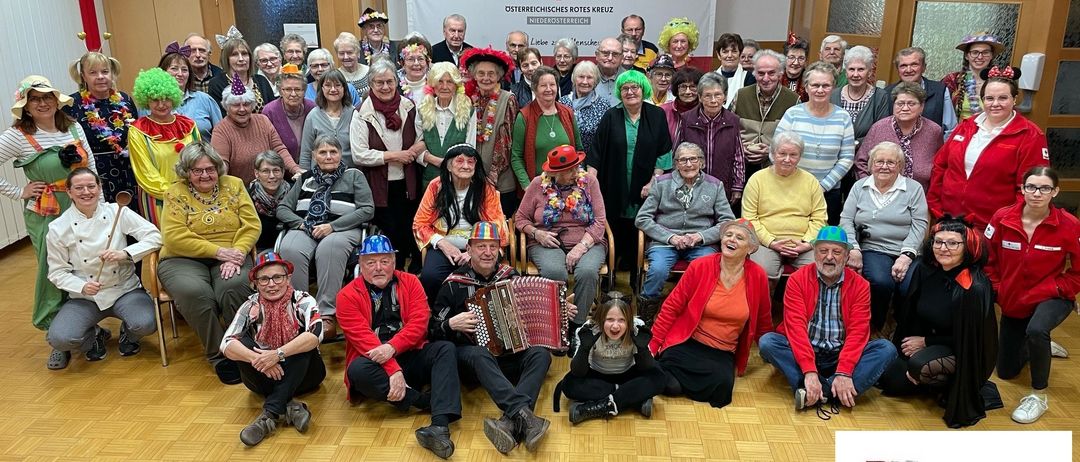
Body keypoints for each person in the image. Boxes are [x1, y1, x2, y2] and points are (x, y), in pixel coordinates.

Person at [429, 222, 572, 453]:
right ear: (469, 248)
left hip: (509, 355)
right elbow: (432, 327)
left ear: (499, 250)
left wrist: (560, 310)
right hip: (473, 363)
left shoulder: (511, 276)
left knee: (540, 355)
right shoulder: (454, 284)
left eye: (492, 247)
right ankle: (525, 416)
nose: (487, 252)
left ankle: (510, 421)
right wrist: (450, 323)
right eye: (481, 246)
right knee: (479, 354)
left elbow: (531, 314)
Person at [337, 235, 461, 458]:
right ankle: (427, 401)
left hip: (409, 352)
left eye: (384, 261)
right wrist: (393, 369)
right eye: (371, 262)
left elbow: (420, 323)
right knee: (357, 370)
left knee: (445, 348)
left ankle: (439, 427)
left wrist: (392, 349)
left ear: (394, 262)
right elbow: (364, 340)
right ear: (361, 265)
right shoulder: (345, 296)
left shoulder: (411, 281)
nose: (378, 268)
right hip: (375, 361)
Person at [758, 226, 898, 413]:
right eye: (823, 251)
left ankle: (815, 391)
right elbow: (796, 328)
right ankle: (830, 390)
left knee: (886, 349)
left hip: (840, 353)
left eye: (837, 252)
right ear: (815, 254)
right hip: (806, 351)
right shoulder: (797, 279)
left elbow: (858, 331)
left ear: (847, 256)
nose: (829, 257)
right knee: (768, 342)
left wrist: (844, 370)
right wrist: (809, 369)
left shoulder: (861, 285)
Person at [878, 216, 998, 428]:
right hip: (931, 341)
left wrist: (926, 342)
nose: (944, 248)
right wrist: (907, 345)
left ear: (967, 246)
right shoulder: (926, 271)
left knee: (918, 367)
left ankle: (954, 386)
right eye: (938, 242)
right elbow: (912, 314)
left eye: (952, 243)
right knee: (890, 379)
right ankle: (930, 380)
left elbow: (970, 340)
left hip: (961, 350)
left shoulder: (972, 287)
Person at [0, 75, 95, 344]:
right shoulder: (18, 136)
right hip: (46, 211)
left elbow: (92, 169)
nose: (42, 103)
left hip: (80, 206)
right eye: (35, 99)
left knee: (81, 261)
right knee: (51, 265)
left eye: (47, 97)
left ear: (56, 100)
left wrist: (97, 201)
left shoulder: (74, 127)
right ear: (26, 106)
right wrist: (19, 192)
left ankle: (83, 321)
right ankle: (54, 326)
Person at [157, 141, 259, 384]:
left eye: (210, 169)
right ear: (186, 172)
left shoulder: (234, 185)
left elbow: (251, 224)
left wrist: (237, 252)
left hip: (232, 255)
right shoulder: (174, 192)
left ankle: (241, 347)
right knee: (195, 292)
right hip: (182, 258)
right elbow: (174, 236)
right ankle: (219, 354)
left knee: (233, 286)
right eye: (197, 170)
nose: (205, 175)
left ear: (218, 168)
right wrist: (219, 252)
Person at [986, 166, 1080, 424]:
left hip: (1053, 295)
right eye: (1031, 187)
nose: (1037, 193)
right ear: (1023, 189)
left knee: (1038, 328)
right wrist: (998, 288)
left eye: (1045, 188)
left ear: (1055, 191)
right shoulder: (1003, 218)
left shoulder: (1070, 225)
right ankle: (1038, 344)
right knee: (1005, 371)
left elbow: (1078, 272)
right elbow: (988, 259)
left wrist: (1059, 288)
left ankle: (1038, 396)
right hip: (1014, 297)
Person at [650, 218, 773, 408]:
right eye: (728, 235)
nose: (731, 240)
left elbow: (763, 318)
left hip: (722, 350)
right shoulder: (700, 266)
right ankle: (644, 380)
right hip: (688, 340)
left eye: (739, 238)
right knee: (672, 387)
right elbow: (671, 307)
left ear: (750, 248)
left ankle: (652, 380)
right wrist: (654, 343)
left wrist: (768, 351)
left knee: (722, 389)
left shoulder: (758, 276)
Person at [45, 168, 160, 369]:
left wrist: (125, 254)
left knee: (146, 324)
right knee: (60, 339)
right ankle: (94, 336)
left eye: (91, 186)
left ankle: (129, 334)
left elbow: (154, 236)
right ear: (69, 192)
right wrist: (81, 287)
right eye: (79, 188)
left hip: (125, 290)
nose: (86, 192)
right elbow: (56, 272)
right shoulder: (57, 228)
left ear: (99, 188)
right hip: (86, 298)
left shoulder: (118, 211)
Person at [221, 251, 325, 446]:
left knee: (305, 343)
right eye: (264, 279)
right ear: (256, 283)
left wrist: (278, 354)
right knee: (240, 342)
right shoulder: (249, 306)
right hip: (264, 375)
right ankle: (289, 406)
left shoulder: (303, 300)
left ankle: (268, 416)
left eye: (277, 277)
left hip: (305, 375)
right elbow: (226, 343)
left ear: (288, 279)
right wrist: (259, 360)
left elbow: (315, 334)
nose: (271, 284)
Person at [927, 66, 1048, 231]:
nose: (995, 104)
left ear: (1015, 99)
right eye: (989, 98)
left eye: (1003, 98)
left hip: (992, 226)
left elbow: (1031, 187)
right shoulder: (967, 126)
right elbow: (941, 165)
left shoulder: (1030, 135)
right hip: (949, 220)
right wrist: (935, 206)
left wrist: (1009, 221)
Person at [277, 134, 373, 339]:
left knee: (329, 248)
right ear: (314, 155)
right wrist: (300, 223)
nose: (328, 156)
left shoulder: (354, 175)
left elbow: (367, 210)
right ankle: (299, 309)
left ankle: (326, 314)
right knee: (289, 248)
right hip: (306, 228)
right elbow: (283, 208)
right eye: (323, 152)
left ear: (340, 154)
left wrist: (333, 226)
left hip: (342, 229)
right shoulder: (304, 178)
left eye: (333, 151)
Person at [587, 70, 673, 287]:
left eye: (634, 87)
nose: (630, 92)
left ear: (643, 89)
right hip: (613, 183)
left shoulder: (657, 115)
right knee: (613, 228)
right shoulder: (611, 116)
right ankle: (609, 279)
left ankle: (636, 278)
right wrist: (591, 184)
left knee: (639, 230)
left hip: (644, 185)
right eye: (625, 88)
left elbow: (664, 152)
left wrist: (654, 181)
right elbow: (596, 151)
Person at [635, 143, 735, 319]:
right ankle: (645, 319)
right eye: (683, 160)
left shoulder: (715, 185)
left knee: (706, 268)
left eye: (693, 159)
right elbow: (642, 219)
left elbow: (728, 222)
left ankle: (698, 314)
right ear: (676, 164)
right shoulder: (661, 183)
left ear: (702, 162)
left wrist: (700, 236)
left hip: (700, 243)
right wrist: (671, 237)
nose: (688, 164)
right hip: (665, 242)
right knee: (657, 269)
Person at [515, 146, 607, 332]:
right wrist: (536, 233)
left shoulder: (589, 181)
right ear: (553, 173)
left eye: (577, 166)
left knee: (588, 272)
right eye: (569, 170)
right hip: (547, 241)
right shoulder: (536, 185)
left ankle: (577, 327)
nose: (576, 172)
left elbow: (600, 221)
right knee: (555, 272)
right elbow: (520, 218)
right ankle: (557, 325)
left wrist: (580, 247)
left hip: (587, 240)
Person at [840, 142, 928, 332]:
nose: (884, 166)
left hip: (908, 250)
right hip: (873, 247)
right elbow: (845, 220)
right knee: (881, 282)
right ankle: (874, 327)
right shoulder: (859, 187)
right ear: (871, 164)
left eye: (891, 162)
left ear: (900, 166)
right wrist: (853, 247)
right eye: (879, 161)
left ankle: (902, 329)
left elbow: (920, 224)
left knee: (908, 287)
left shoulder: (913, 189)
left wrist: (906, 255)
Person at [351, 58, 426, 272]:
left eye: (389, 81)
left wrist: (413, 151)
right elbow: (359, 154)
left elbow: (422, 138)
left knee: (409, 231)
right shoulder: (361, 112)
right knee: (390, 234)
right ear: (371, 84)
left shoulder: (409, 106)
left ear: (397, 81)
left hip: (408, 182)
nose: (385, 87)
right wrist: (395, 156)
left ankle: (410, 279)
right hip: (379, 186)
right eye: (379, 82)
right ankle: (393, 275)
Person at [553, 293, 664, 423]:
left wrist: (643, 349)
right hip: (598, 375)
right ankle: (633, 399)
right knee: (569, 384)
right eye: (610, 319)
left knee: (659, 377)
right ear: (601, 319)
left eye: (621, 320)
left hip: (628, 373)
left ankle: (599, 407)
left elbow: (646, 368)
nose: (615, 326)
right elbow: (578, 372)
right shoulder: (589, 329)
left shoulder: (637, 327)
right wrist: (584, 348)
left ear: (628, 320)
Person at [413, 144, 505, 300]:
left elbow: (496, 225)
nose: (466, 166)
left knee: (484, 277)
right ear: (449, 165)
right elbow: (420, 223)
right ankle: (440, 317)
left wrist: (473, 252)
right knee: (430, 276)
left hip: (481, 245)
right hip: (444, 245)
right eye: (460, 161)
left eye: (471, 162)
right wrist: (443, 244)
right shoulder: (436, 187)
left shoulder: (486, 188)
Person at [777, 61, 856, 225]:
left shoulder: (843, 117)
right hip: (792, 189)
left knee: (822, 241)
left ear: (833, 87)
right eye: (815, 85)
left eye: (825, 85)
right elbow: (777, 151)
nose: (820, 90)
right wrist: (794, 181)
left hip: (828, 193)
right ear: (806, 87)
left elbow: (847, 157)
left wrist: (822, 186)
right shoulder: (792, 114)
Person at [741, 131, 826, 280]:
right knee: (762, 271)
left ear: (800, 156)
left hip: (802, 243)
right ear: (772, 154)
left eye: (793, 155)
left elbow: (820, 218)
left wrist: (807, 243)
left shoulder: (810, 181)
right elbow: (749, 218)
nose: (787, 159)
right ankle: (767, 304)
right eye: (782, 154)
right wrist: (771, 242)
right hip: (765, 242)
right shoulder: (757, 179)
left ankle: (803, 304)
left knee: (819, 269)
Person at [128, 68, 201, 225]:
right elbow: (145, 172)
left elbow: (200, 160)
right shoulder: (138, 130)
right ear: (146, 100)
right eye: (155, 99)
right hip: (158, 199)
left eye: (166, 98)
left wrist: (195, 189)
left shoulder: (189, 125)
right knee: (167, 243)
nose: (161, 104)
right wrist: (173, 194)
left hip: (193, 194)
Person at [65, 52, 139, 207]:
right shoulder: (71, 104)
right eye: (93, 72)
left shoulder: (124, 99)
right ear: (83, 76)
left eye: (105, 71)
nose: (100, 76)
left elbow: (137, 132)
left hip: (127, 170)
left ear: (112, 74)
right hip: (93, 173)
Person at [461, 47, 520, 215]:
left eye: (491, 73)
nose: (486, 78)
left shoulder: (508, 99)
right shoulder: (468, 100)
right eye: (481, 73)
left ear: (499, 76)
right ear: (474, 75)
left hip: (501, 181)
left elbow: (507, 141)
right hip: (471, 179)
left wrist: (492, 176)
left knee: (501, 230)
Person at [211, 73, 300, 183]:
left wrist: (295, 169)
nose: (242, 109)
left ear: (252, 105)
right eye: (236, 105)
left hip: (270, 186)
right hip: (241, 191)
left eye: (246, 104)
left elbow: (279, 149)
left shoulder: (263, 120)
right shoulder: (221, 130)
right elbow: (221, 165)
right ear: (227, 107)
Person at [856, 82, 943, 192]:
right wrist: (869, 189)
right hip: (878, 195)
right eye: (900, 103)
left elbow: (940, 167)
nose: (905, 108)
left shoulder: (934, 131)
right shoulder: (878, 128)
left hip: (920, 196)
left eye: (911, 104)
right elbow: (861, 162)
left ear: (921, 107)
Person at [676, 73, 746, 208]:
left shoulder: (733, 120)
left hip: (722, 186)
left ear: (725, 97)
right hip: (690, 185)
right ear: (700, 97)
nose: (713, 100)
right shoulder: (686, 119)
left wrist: (737, 186)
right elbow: (677, 153)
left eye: (718, 95)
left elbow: (739, 156)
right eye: (708, 95)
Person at [732, 50, 800, 180]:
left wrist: (771, 151)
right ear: (754, 74)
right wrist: (740, 148)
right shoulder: (741, 95)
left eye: (771, 73)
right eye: (761, 73)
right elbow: (728, 129)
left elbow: (796, 138)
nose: (766, 78)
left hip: (776, 169)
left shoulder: (794, 100)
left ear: (780, 74)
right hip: (741, 166)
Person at [512, 67, 582, 188]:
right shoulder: (524, 116)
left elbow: (579, 149)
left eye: (552, 85)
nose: (549, 89)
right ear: (534, 89)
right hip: (538, 187)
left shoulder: (568, 113)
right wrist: (527, 186)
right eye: (543, 85)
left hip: (569, 186)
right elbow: (516, 157)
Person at [418, 62, 477, 188]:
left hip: (458, 179)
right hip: (429, 179)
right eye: (440, 81)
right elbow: (417, 145)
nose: (444, 86)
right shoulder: (422, 109)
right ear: (433, 85)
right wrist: (436, 161)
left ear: (456, 85)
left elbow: (470, 147)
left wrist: (452, 164)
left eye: (449, 82)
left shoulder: (468, 111)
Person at [884, 47, 957, 136]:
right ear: (898, 69)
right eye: (903, 66)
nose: (909, 70)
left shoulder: (940, 91)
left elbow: (950, 129)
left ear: (923, 67)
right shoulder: (886, 93)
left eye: (914, 65)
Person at [830, 46, 890, 152]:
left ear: (870, 72)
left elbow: (881, 133)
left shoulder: (880, 97)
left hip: (865, 159)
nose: (855, 74)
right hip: (833, 156)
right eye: (851, 69)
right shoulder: (833, 95)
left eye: (861, 69)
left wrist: (856, 144)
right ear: (846, 72)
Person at [159, 43, 222, 141]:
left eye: (184, 70)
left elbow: (221, 136)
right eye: (174, 69)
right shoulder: (152, 104)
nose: (180, 74)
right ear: (162, 72)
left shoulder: (205, 100)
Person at [299, 69, 358, 171]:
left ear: (344, 87)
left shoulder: (354, 114)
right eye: (328, 85)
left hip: (349, 175)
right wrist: (305, 177)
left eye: (337, 85)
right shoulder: (313, 116)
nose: (333, 89)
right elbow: (306, 153)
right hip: (320, 177)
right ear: (321, 88)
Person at [207, 26, 276, 113]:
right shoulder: (216, 84)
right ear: (226, 59)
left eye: (244, 53)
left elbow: (273, 112)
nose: (241, 58)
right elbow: (220, 116)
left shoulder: (261, 80)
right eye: (234, 54)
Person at [943, 33, 1006, 121]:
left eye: (985, 52)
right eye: (975, 52)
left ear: (992, 56)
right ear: (966, 56)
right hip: (959, 132)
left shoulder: (1001, 82)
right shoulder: (953, 80)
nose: (980, 57)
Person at [261, 65, 315, 167]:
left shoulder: (312, 108)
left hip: (310, 168)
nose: (293, 94)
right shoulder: (269, 111)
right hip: (279, 170)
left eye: (298, 89)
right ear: (281, 91)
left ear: (304, 91)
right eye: (288, 89)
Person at [557, 61, 610, 156]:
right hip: (566, 160)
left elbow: (606, 140)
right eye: (581, 77)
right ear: (574, 79)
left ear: (596, 81)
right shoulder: (563, 103)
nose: (585, 82)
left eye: (589, 77)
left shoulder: (603, 105)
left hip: (594, 161)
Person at [249, 151, 289, 251]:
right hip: (257, 251)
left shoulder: (294, 193)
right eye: (265, 171)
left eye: (276, 170)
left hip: (288, 249)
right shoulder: (246, 196)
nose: (271, 176)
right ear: (256, 174)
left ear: (283, 172)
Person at [661, 67, 705, 143]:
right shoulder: (662, 111)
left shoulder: (706, 112)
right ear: (676, 89)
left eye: (693, 87)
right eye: (683, 87)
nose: (688, 92)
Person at [714, 33, 755, 106]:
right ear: (718, 55)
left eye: (734, 51)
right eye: (725, 52)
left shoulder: (750, 78)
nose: (730, 55)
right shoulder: (710, 78)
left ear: (740, 54)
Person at [333, 32, 371, 100]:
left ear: (358, 53)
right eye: (341, 53)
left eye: (349, 52)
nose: (346, 57)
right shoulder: (335, 77)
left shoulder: (371, 72)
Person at [398, 37, 433, 105]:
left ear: (427, 62)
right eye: (411, 59)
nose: (416, 63)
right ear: (402, 64)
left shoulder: (435, 84)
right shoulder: (395, 86)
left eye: (420, 59)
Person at [593, 37, 627, 106]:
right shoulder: (586, 77)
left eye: (615, 54)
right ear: (597, 55)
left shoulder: (629, 78)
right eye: (605, 53)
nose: (610, 58)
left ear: (622, 58)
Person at [782, 35, 810, 102]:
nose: (796, 63)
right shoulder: (775, 78)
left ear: (806, 61)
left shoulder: (809, 80)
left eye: (801, 58)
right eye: (792, 57)